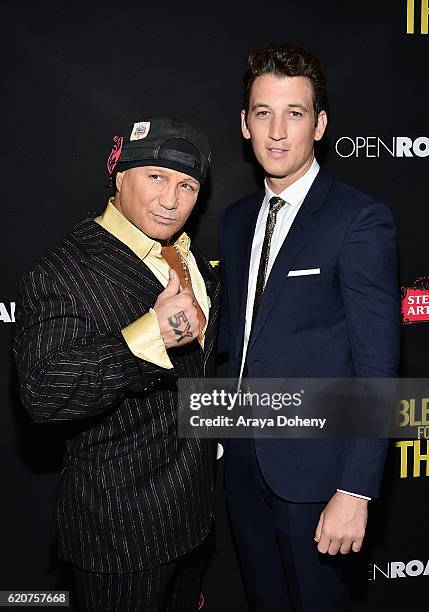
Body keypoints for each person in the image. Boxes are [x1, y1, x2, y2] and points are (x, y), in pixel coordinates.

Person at [218, 43, 400, 611]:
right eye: (263, 112)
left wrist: (356, 489)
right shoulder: (236, 219)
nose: (277, 131)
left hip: (320, 478)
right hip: (244, 464)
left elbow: (378, 366)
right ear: (244, 124)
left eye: (294, 113)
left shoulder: (358, 219)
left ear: (319, 124)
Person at [13, 117, 219, 612]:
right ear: (120, 176)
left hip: (191, 520)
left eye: (187, 185)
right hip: (120, 533)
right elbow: (44, 393)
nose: (171, 199)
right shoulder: (62, 271)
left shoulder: (187, 255)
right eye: (156, 177)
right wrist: (147, 337)